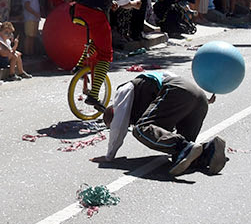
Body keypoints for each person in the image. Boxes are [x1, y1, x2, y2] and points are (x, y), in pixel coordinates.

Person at [91, 70, 226, 177]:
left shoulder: (124, 91)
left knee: (141, 129)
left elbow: (118, 125)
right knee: (181, 156)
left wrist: (109, 156)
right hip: (198, 98)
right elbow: (184, 87)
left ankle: (184, 146)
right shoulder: (151, 83)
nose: (127, 125)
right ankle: (210, 149)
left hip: (177, 92)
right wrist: (204, 100)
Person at [71, 0, 136, 110]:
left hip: (79, 9)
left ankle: (81, 62)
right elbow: (122, 0)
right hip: (96, 14)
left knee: (96, 41)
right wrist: (134, 4)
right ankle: (93, 95)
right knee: (106, 55)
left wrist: (108, 1)